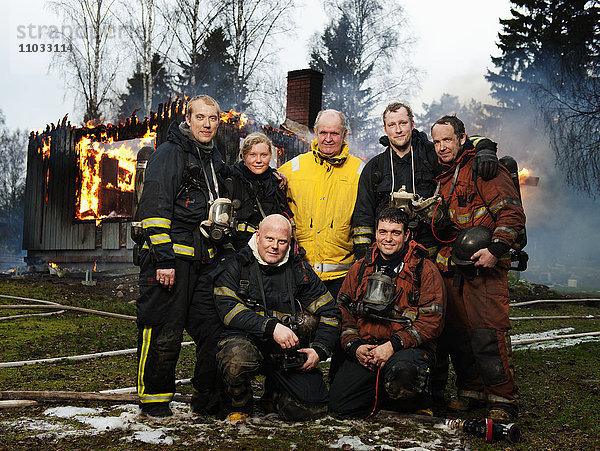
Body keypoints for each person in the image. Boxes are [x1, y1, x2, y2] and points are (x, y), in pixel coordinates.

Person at [136, 94, 229, 418]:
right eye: (200, 117)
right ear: (187, 120)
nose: (206, 124)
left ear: (219, 122)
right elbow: (154, 210)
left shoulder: (213, 158)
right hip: (171, 261)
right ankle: (154, 401)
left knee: (212, 327)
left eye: (212, 118)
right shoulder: (170, 154)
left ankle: (207, 398)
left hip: (204, 263)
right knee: (164, 329)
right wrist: (163, 259)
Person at [430, 115, 525, 421]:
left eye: (447, 139)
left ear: (462, 138)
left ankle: (502, 397)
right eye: (437, 141)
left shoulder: (485, 169)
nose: (442, 147)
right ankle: (470, 391)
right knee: (459, 335)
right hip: (455, 270)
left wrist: (496, 250)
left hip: (485, 268)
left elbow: (511, 213)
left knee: (488, 334)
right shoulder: (444, 178)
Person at [212, 214, 341, 421]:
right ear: (258, 236)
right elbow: (228, 311)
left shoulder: (300, 270)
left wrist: (319, 350)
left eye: (282, 242)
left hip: (285, 350)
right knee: (236, 360)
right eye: (269, 239)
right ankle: (239, 401)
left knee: (310, 409)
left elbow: (330, 313)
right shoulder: (236, 265)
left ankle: (274, 395)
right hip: (246, 342)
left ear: (289, 242)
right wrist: (271, 327)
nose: (275, 246)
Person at [328, 207, 446, 418]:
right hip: (367, 347)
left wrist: (392, 346)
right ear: (376, 233)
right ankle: (379, 390)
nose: (388, 238)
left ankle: (417, 399)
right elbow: (343, 311)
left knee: (403, 374)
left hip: (404, 349)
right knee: (340, 406)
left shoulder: (424, 269)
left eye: (395, 232)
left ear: (407, 235)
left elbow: (432, 322)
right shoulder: (361, 267)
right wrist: (355, 347)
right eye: (383, 231)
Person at [351, 102, 499, 259]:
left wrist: (485, 148)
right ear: (385, 129)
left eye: (403, 123)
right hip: (388, 251)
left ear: (412, 125)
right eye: (392, 125)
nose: (398, 130)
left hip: (429, 252)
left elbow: (459, 142)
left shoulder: (433, 155)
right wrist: (364, 254)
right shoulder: (375, 167)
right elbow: (363, 213)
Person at [278, 109, 364, 300]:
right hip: (299, 272)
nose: (328, 138)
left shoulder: (359, 172)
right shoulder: (293, 168)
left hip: (341, 277)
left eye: (334, 133)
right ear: (315, 132)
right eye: (323, 132)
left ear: (344, 134)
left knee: (335, 326)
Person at [229, 132, 293, 251]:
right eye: (252, 155)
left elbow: (285, 217)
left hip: (272, 252)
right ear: (243, 157)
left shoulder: (276, 183)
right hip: (239, 252)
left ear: (270, 156)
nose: (258, 160)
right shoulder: (232, 181)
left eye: (264, 155)